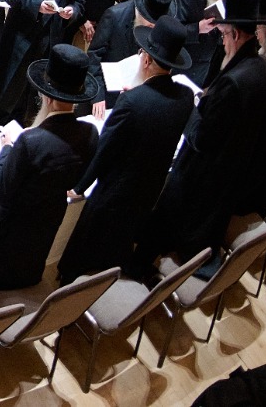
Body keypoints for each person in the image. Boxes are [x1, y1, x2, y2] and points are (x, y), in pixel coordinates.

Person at [135, 0, 266, 271]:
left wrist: (189, 105)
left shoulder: (234, 82)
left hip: (200, 178)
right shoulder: (263, 65)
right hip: (230, 173)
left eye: (224, 35)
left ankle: (140, 271)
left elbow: (201, 138)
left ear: (237, 34)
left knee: (160, 227)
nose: (222, 42)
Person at [0, 44, 101, 311]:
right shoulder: (90, 134)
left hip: (7, 234)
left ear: (47, 97)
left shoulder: (30, 142)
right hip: (44, 229)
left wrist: (7, 148)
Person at [58, 15, 196, 281]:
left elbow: (105, 150)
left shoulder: (132, 101)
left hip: (114, 193)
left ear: (146, 60)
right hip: (149, 190)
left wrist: (79, 186)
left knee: (85, 252)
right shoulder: (185, 97)